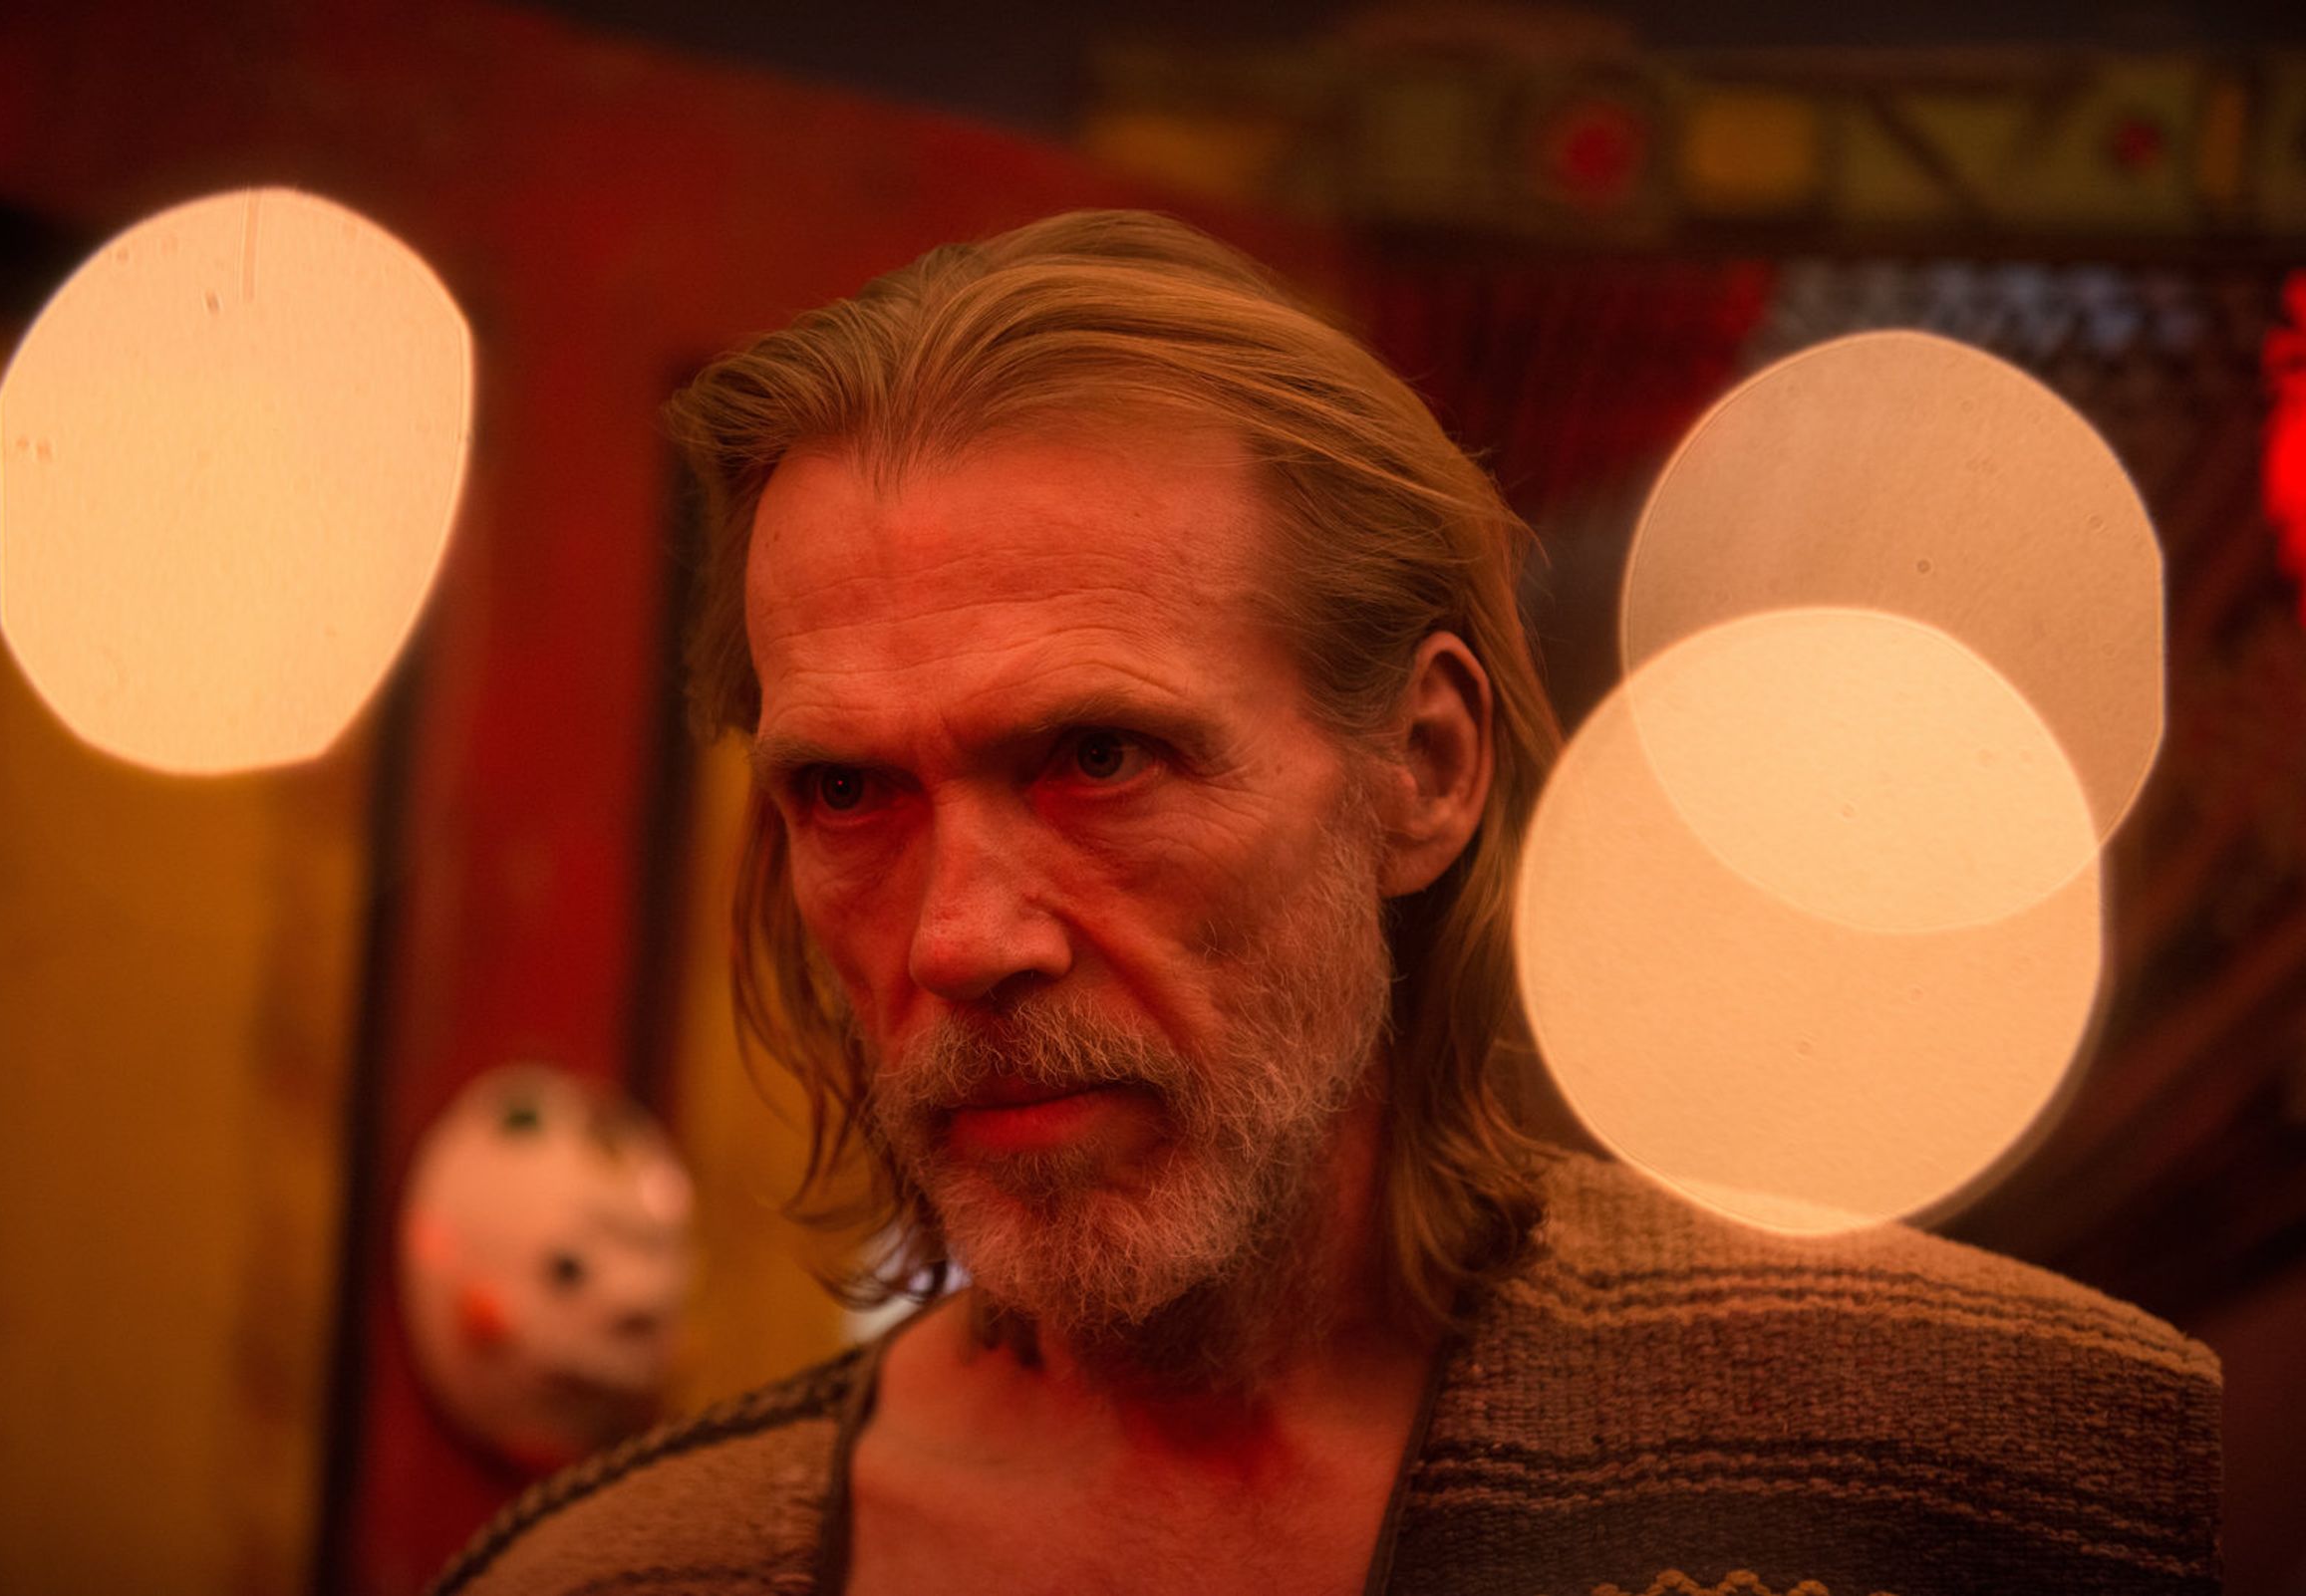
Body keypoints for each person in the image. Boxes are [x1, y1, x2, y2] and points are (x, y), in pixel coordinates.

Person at [430, 211, 2221, 1596]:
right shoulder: (619, 1575)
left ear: (1422, 767)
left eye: (1100, 757)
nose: (962, 937)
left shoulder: (1996, 1480)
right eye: (848, 792)